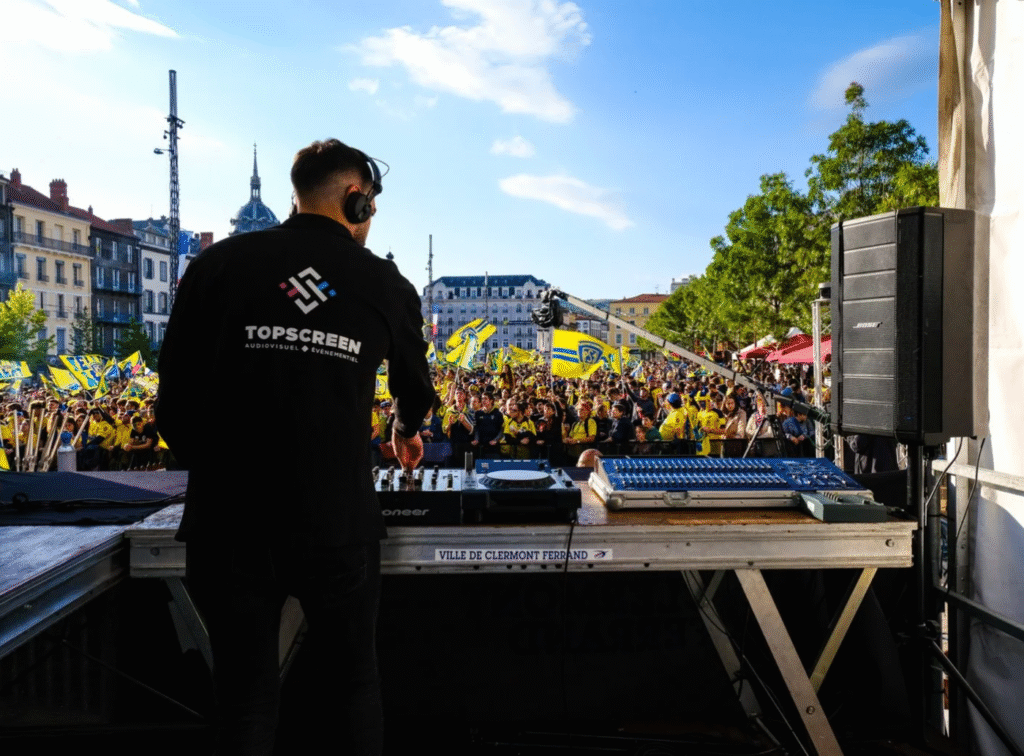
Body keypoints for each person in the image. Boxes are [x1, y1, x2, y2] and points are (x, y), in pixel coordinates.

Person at [156, 138, 434, 756]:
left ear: (296, 195)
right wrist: (403, 429)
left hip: (229, 524)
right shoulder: (382, 283)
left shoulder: (218, 266)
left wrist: (231, 469)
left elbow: (171, 406)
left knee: (244, 695)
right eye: (372, 206)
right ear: (356, 200)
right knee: (351, 683)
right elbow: (415, 390)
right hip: (335, 522)